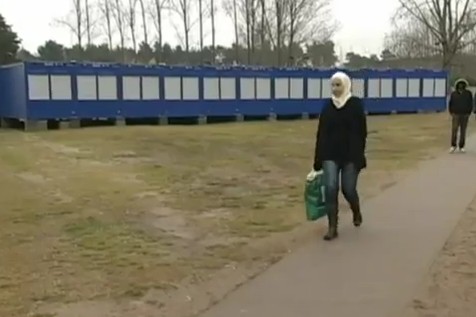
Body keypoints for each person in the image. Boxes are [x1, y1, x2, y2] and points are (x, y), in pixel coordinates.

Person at [310, 71, 367, 241]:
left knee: (348, 189)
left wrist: (359, 155)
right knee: (330, 188)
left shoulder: (355, 105)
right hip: (330, 154)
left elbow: (362, 132)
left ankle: (356, 211)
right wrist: (317, 159)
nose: (335, 88)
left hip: (351, 154)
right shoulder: (327, 107)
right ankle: (332, 227)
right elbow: (321, 133)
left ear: (346, 85)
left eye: (338, 85)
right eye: (333, 85)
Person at [449, 78, 473, 153]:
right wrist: (451, 112)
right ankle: (453, 145)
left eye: (462, 84)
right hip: (455, 114)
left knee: (463, 131)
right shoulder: (454, 94)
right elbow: (450, 103)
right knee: (454, 130)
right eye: (459, 84)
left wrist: (469, 112)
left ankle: (461, 146)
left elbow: (471, 103)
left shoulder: (468, 93)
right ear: (457, 85)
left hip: (465, 115)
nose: (461, 86)